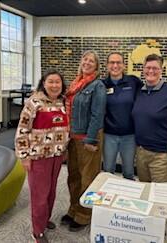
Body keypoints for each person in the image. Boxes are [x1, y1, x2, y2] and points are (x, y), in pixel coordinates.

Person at [15, 70, 69, 243]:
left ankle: (45, 220)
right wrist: (24, 156)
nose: (54, 85)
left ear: (62, 85)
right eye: (50, 82)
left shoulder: (63, 102)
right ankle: (37, 230)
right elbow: (22, 130)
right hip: (38, 157)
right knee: (39, 195)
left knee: (51, 193)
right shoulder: (34, 102)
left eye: (57, 82)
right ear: (43, 84)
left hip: (57, 156)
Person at [61, 50, 106, 231]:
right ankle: (73, 208)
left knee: (88, 178)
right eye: (85, 59)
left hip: (87, 138)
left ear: (96, 66)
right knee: (73, 176)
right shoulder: (75, 83)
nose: (87, 63)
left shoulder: (98, 86)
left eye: (92, 61)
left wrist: (91, 139)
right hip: (72, 138)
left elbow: (98, 115)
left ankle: (85, 214)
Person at [132, 54, 167, 182]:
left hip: (163, 155)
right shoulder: (140, 92)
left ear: (161, 70)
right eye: (148, 67)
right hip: (142, 152)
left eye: (155, 68)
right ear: (143, 69)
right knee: (145, 189)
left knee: (161, 194)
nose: (151, 71)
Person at [102, 52, 141, 180]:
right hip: (109, 135)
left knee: (129, 172)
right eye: (112, 62)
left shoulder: (133, 81)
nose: (115, 65)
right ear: (107, 65)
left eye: (118, 62)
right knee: (108, 170)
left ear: (124, 65)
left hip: (129, 136)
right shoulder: (101, 85)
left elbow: (146, 99)